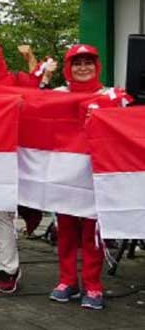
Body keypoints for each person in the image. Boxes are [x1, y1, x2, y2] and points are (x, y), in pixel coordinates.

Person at [0, 35, 56, 294]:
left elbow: (38, 92)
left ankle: (10, 268)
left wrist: (38, 65)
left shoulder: (14, 79)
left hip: (8, 154)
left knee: (1, 212)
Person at [49, 44, 130, 311]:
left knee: (92, 234)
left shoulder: (112, 96)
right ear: (68, 67)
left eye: (88, 62)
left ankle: (93, 285)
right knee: (65, 231)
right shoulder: (57, 96)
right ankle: (67, 281)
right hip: (64, 174)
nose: (82, 68)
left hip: (96, 176)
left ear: (97, 67)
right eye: (77, 63)